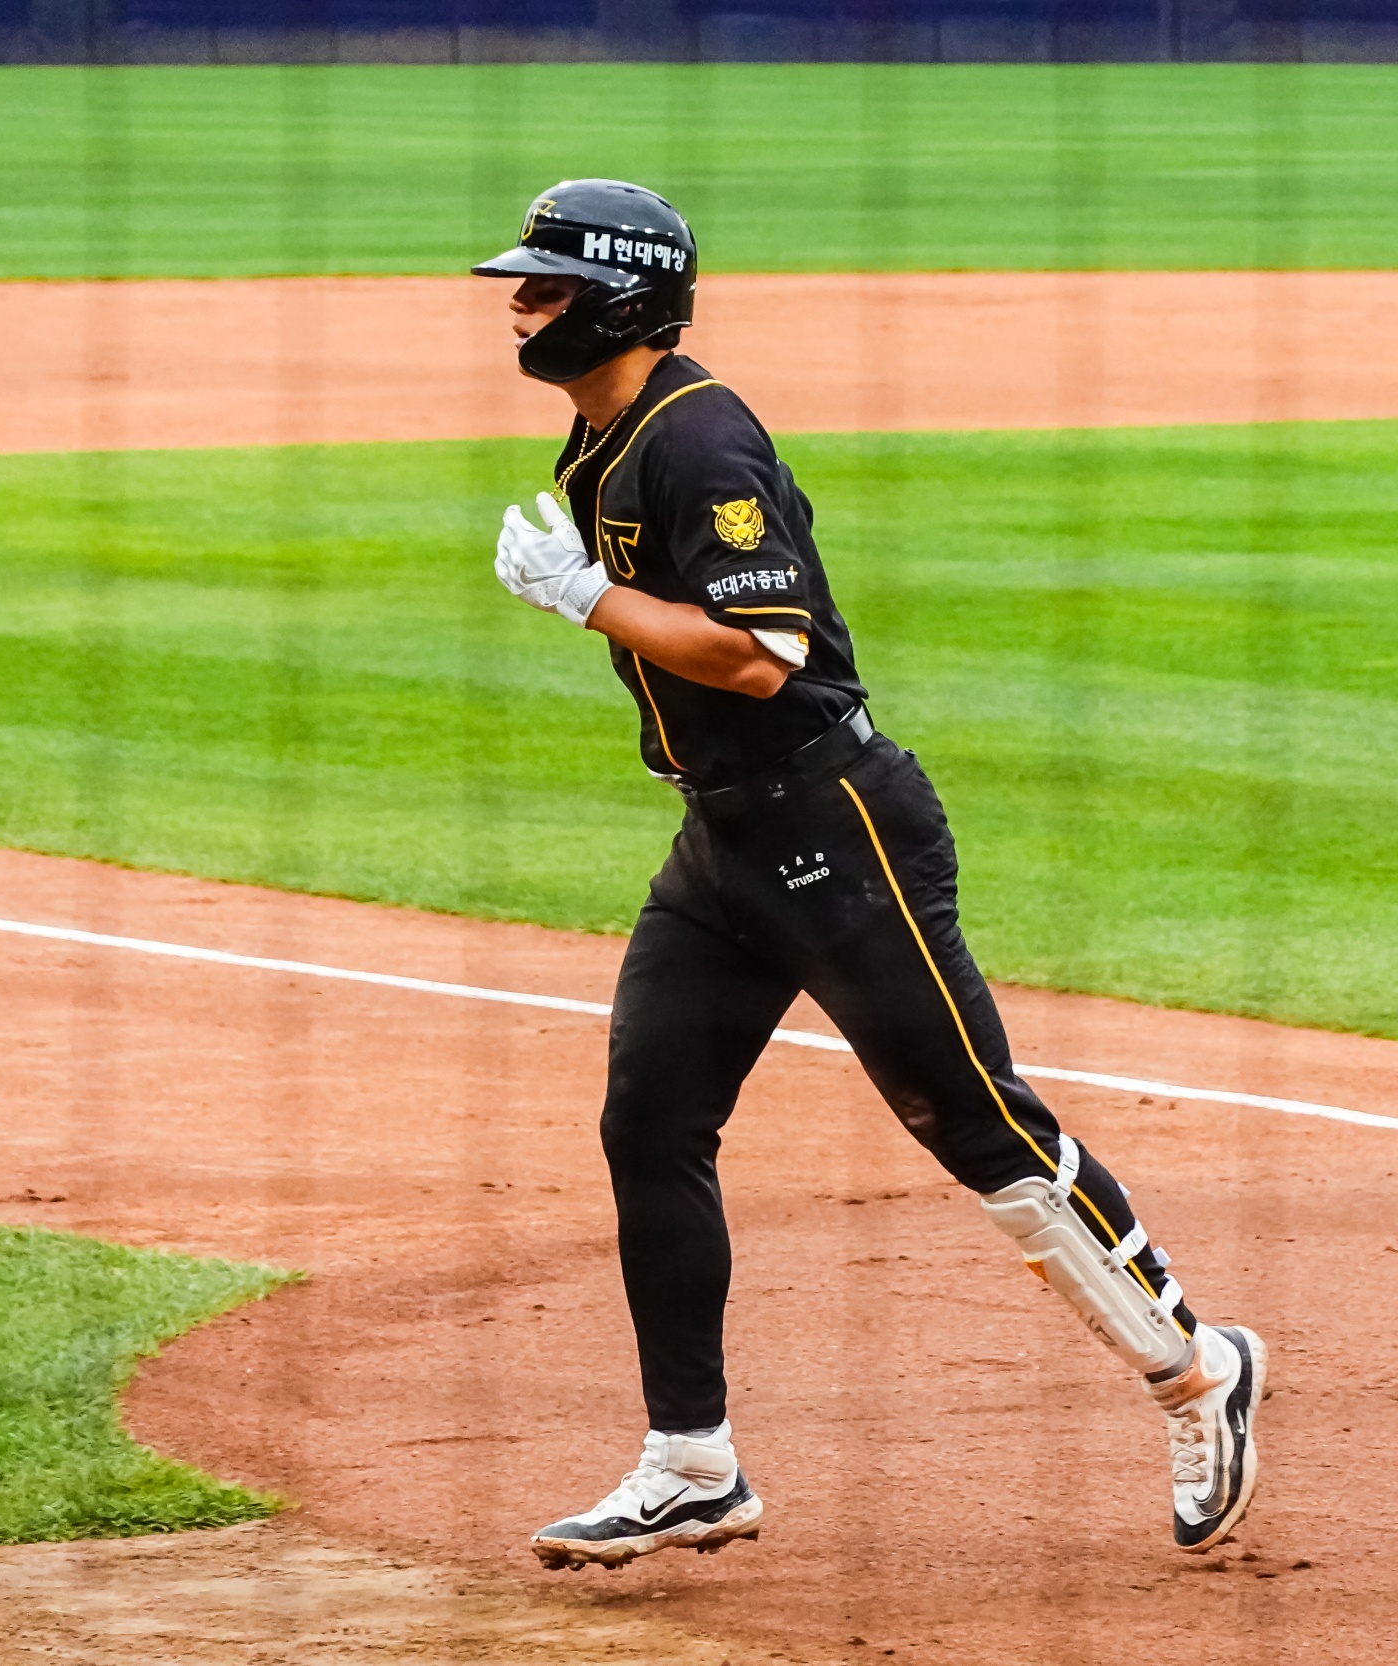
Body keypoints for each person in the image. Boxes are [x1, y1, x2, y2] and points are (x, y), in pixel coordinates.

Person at [469, 179, 1268, 1571]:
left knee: (973, 1120)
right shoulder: (603, 440)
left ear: (623, 299)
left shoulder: (698, 436)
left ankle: (1198, 1370)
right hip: (723, 844)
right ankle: (691, 1461)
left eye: (547, 285)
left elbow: (758, 656)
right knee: (648, 1123)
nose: (519, 307)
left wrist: (587, 598)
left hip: (838, 831)